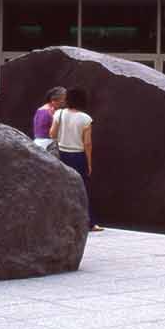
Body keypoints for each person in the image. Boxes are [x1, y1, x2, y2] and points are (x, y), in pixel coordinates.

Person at [50, 87, 102, 232]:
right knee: (83, 189)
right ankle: (91, 222)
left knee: (62, 188)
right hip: (78, 156)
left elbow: (52, 133)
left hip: (61, 155)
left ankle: (60, 221)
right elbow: (87, 144)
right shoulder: (86, 119)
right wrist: (89, 163)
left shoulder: (59, 114)